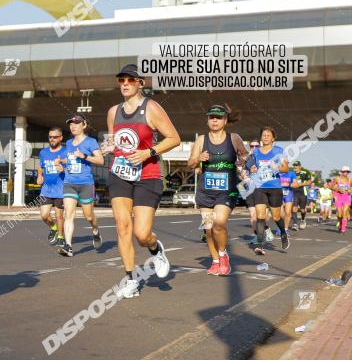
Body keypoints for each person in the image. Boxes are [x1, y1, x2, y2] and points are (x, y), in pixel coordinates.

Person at [105, 64, 180, 298]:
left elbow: (174, 138)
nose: (125, 84)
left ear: (140, 83)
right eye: (121, 80)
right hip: (120, 174)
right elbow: (113, 143)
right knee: (122, 226)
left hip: (147, 174)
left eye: (130, 80)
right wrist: (105, 150)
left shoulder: (152, 108)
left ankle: (156, 250)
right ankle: (130, 279)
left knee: (141, 233)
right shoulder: (112, 112)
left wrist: (148, 153)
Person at [187, 104, 248, 276]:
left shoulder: (234, 138)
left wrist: (241, 164)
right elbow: (190, 163)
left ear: (225, 120)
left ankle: (223, 255)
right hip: (205, 191)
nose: (214, 120)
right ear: (207, 120)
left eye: (218, 117)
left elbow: (244, 155)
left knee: (219, 223)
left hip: (227, 190)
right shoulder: (201, 140)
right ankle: (215, 261)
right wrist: (198, 158)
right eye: (211, 117)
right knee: (208, 229)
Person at [57, 114, 104, 257]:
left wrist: (84, 156)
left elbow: (101, 161)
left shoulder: (91, 142)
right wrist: (61, 162)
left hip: (86, 184)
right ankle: (69, 247)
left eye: (76, 123)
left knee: (88, 216)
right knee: (68, 215)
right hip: (69, 182)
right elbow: (71, 159)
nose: (73, 126)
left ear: (84, 125)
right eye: (71, 123)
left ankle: (95, 230)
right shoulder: (69, 143)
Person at [245, 127, 290, 255]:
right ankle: (259, 245)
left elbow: (286, 168)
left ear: (273, 138)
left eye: (268, 135)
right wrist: (252, 169)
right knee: (260, 216)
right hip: (259, 187)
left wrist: (277, 167)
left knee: (276, 216)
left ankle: (283, 233)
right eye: (263, 135)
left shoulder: (278, 150)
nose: (265, 137)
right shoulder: (256, 152)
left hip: (275, 187)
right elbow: (249, 166)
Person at [37, 127, 66, 248]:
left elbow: (71, 168)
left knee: (59, 215)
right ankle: (53, 227)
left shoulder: (65, 152)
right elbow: (41, 166)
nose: (52, 139)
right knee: (44, 215)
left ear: (60, 138)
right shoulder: (43, 152)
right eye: (50, 137)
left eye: (55, 137)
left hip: (61, 189)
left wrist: (63, 168)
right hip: (47, 189)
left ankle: (61, 237)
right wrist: (39, 175)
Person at [290, 161, 313, 230]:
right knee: (294, 208)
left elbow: (309, 182)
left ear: (300, 166)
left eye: (296, 165)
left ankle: (303, 220)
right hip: (294, 193)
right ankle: (295, 224)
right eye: (294, 165)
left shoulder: (305, 173)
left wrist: (300, 184)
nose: (295, 167)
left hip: (303, 193)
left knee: (302, 209)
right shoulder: (291, 173)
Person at [278, 166, 298, 233]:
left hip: (289, 194)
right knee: (280, 214)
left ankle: (285, 229)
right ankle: (281, 227)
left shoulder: (291, 173)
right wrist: (280, 184)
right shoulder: (277, 173)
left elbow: (296, 184)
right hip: (278, 194)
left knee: (288, 212)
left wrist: (289, 184)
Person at [332, 166, 352, 233]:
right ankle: (340, 224)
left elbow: (351, 188)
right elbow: (332, 186)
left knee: (344, 212)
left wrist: (350, 190)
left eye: (347, 172)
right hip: (339, 197)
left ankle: (343, 228)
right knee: (339, 215)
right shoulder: (337, 179)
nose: (345, 173)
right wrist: (338, 189)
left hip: (347, 197)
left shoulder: (350, 180)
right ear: (342, 172)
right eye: (344, 171)